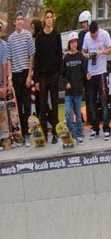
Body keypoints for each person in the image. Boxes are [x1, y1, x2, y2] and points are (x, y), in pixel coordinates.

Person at [31, 9, 62, 140]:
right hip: (43, 76)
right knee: (43, 105)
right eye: (47, 17)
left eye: (51, 17)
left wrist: (59, 73)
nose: (49, 19)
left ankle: (55, 132)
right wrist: (36, 79)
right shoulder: (39, 37)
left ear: (53, 19)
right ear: (44, 20)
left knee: (54, 104)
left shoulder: (56, 34)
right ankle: (44, 132)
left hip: (54, 74)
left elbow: (59, 54)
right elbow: (37, 59)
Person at [82, 20, 111, 139]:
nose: (93, 36)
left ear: (98, 31)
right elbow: (83, 52)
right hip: (91, 73)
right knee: (91, 102)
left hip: (101, 72)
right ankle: (94, 128)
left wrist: (101, 52)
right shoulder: (86, 36)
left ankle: (106, 128)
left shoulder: (104, 34)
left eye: (94, 35)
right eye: (91, 34)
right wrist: (88, 55)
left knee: (104, 101)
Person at [7, 12, 34, 142]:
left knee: (28, 104)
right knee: (19, 106)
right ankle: (23, 133)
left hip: (25, 72)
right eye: (18, 19)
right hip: (16, 74)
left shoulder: (28, 35)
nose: (20, 21)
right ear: (14, 22)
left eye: (21, 19)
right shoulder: (11, 39)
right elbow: (9, 59)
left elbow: (31, 55)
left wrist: (30, 74)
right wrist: (10, 78)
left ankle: (30, 131)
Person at [61, 36, 87, 142]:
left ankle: (79, 134)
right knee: (67, 112)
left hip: (78, 90)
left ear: (77, 43)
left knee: (78, 114)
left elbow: (84, 70)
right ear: (69, 44)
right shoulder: (66, 58)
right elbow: (62, 75)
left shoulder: (80, 56)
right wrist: (66, 83)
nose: (73, 44)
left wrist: (87, 75)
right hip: (68, 92)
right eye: (71, 42)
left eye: (75, 42)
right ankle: (71, 133)